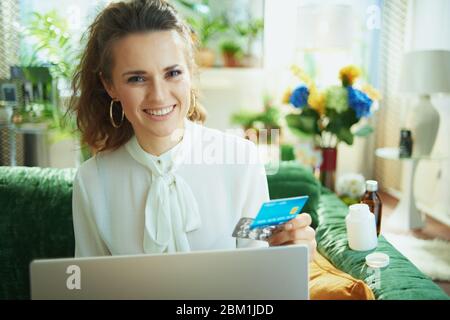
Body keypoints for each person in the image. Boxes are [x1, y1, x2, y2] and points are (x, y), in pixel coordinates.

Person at [69, 0, 316, 259]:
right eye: (137, 78)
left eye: (172, 73)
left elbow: (260, 274)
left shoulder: (241, 159)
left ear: (190, 72)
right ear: (110, 86)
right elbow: (89, 286)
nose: (159, 95)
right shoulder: (92, 181)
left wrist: (292, 255)